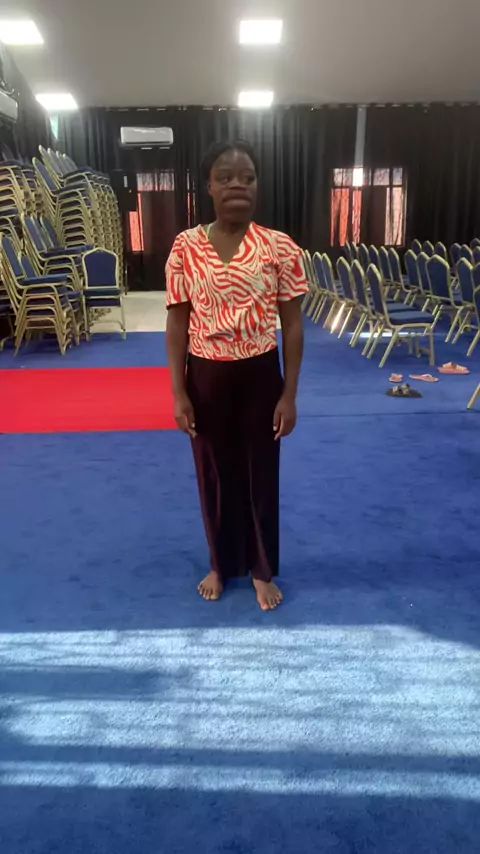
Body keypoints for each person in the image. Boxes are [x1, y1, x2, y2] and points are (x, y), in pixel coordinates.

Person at [165, 140, 308, 610]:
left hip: (260, 374)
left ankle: (262, 568)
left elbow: (292, 325)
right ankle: (221, 563)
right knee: (214, 476)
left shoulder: (280, 247)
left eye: (247, 177)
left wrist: (289, 394)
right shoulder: (185, 247)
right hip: (205, 376)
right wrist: (179, 392)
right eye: (225, 177)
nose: (237, 186)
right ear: (208, 186)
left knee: (260, 474)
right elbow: (177, 322)